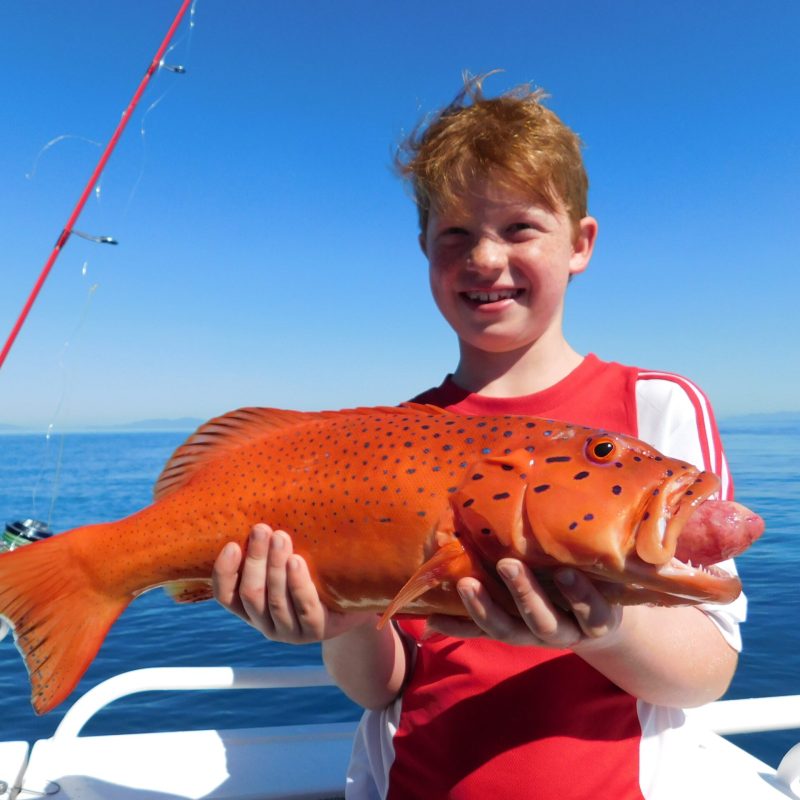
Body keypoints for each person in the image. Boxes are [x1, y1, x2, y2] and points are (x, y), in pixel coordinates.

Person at [211, 74, 746, 799]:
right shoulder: (395, 435)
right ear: (425, 250)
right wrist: (337, 623)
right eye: (455, 234)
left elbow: (706, 671)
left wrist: (606, 628)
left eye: (520, 227)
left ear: (581, 244)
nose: (485, 258)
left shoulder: (656, 410)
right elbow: (382, 687)